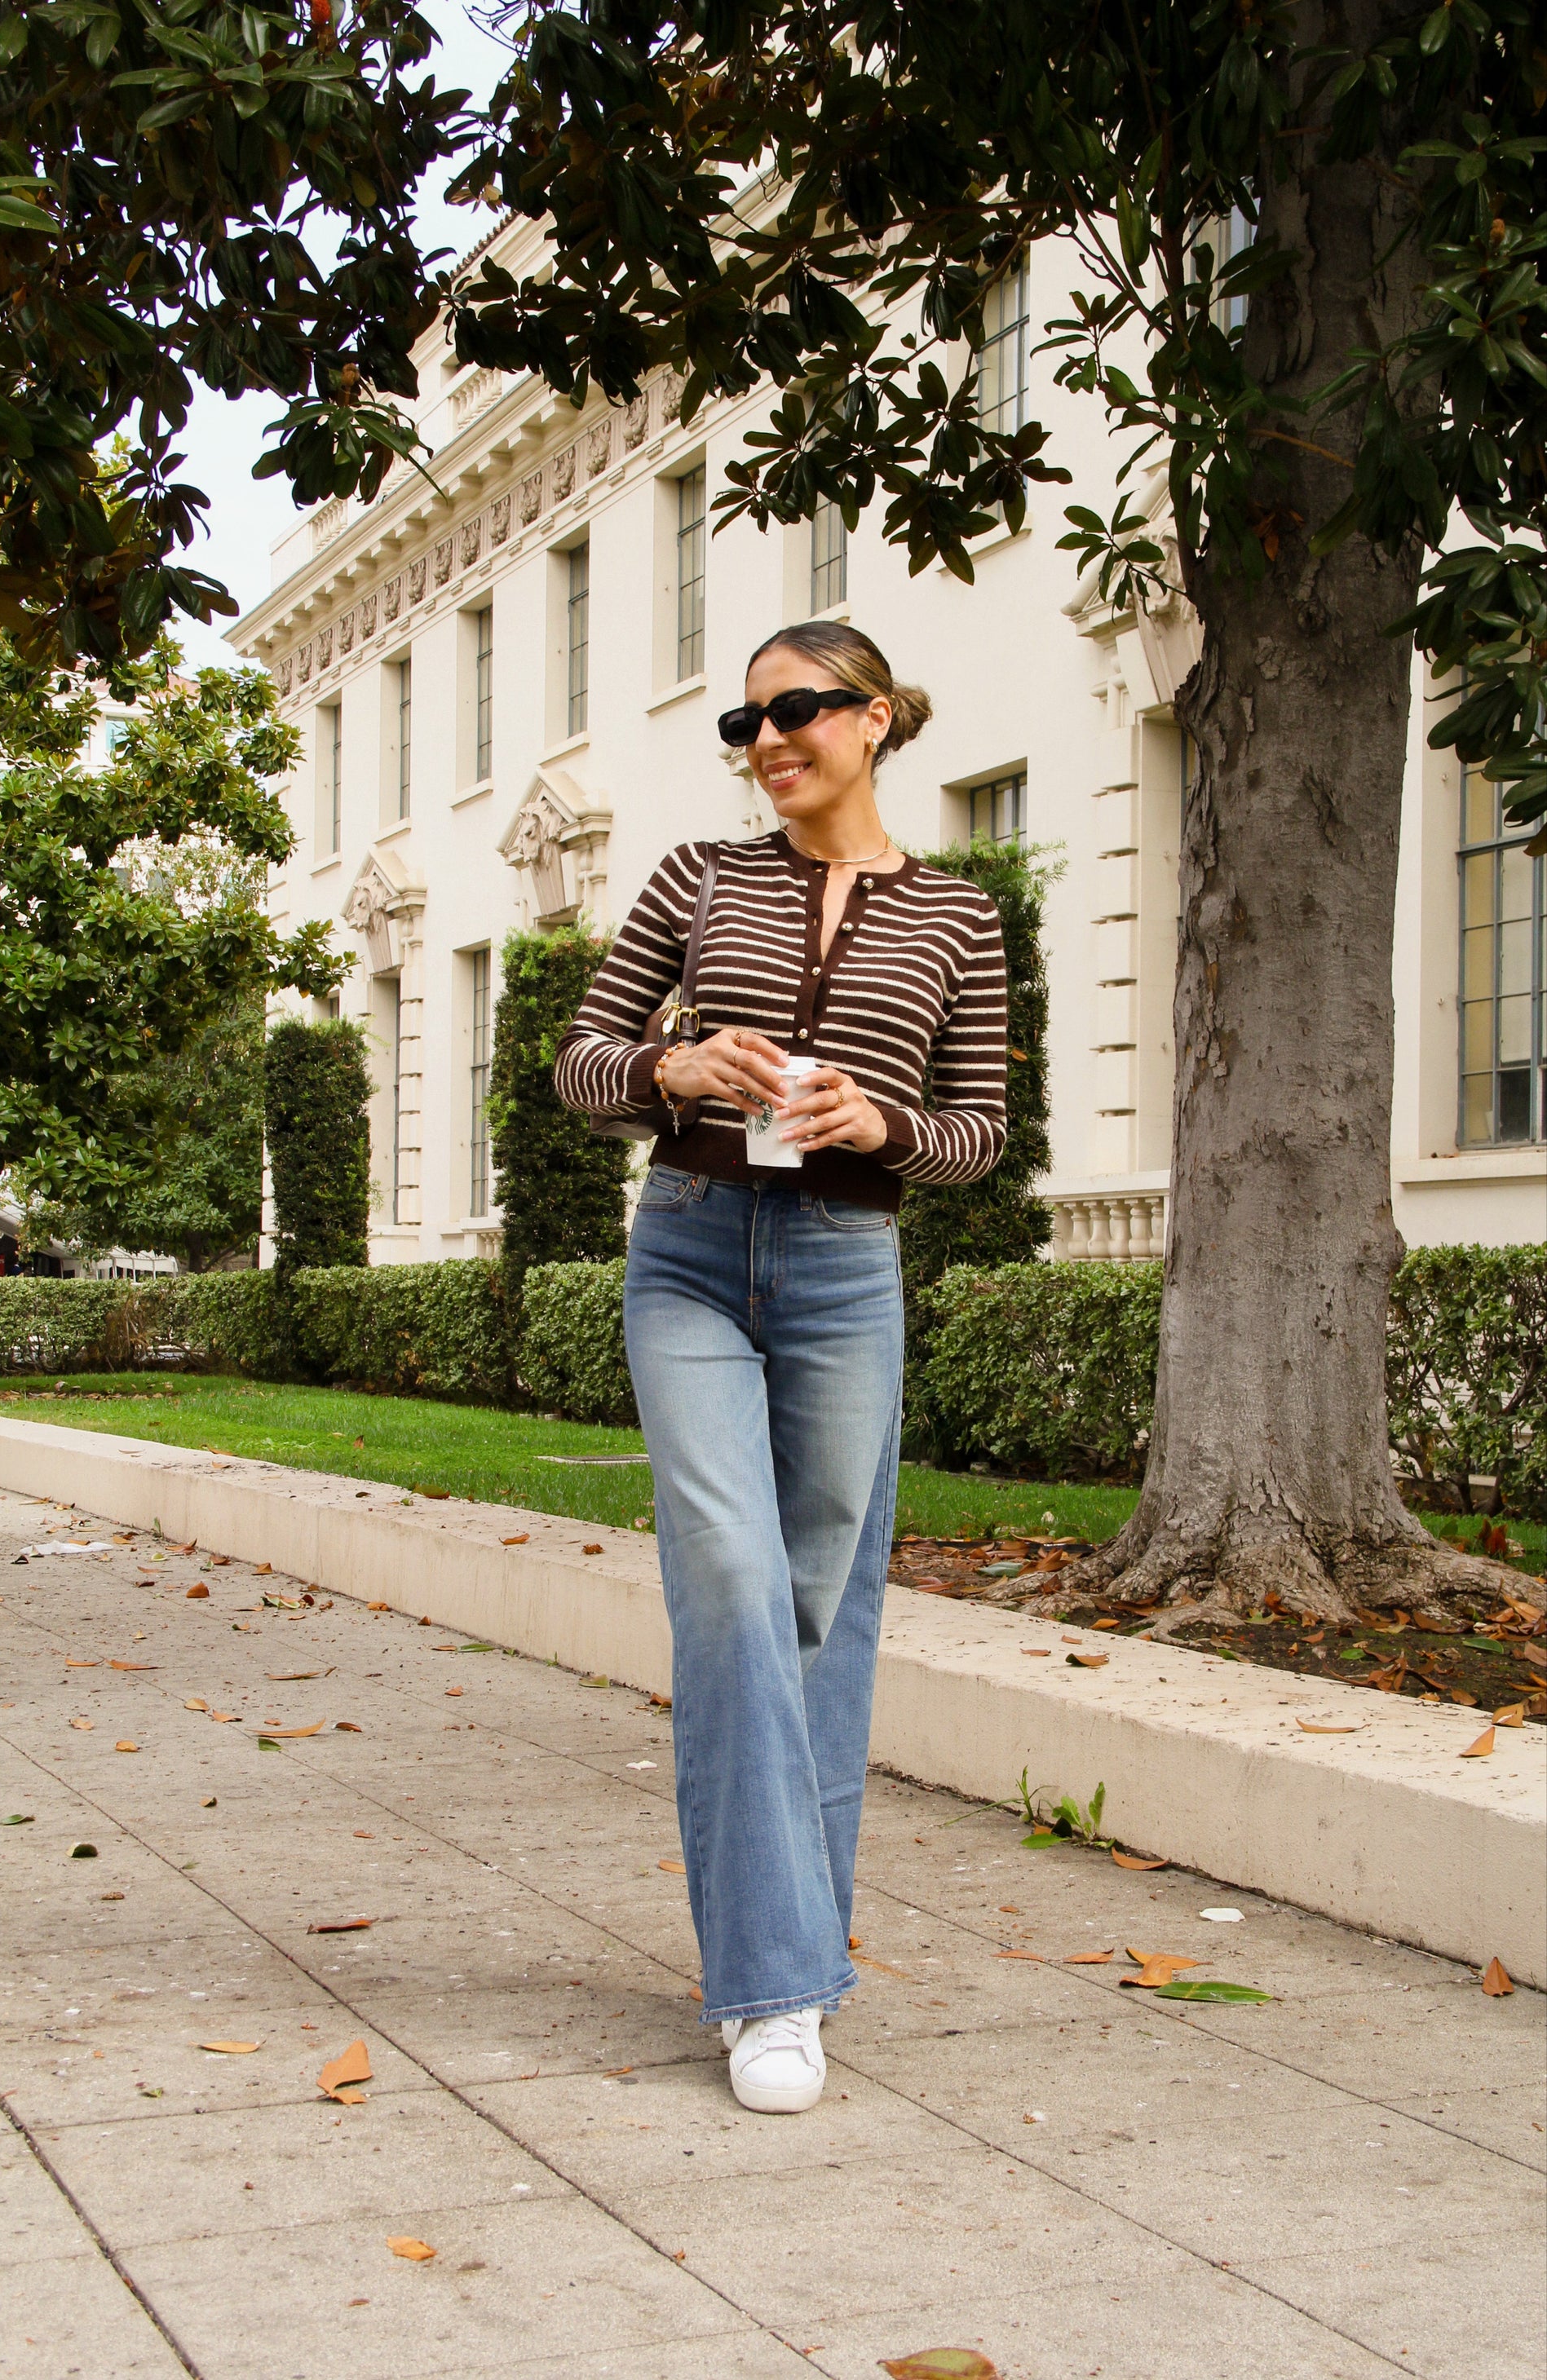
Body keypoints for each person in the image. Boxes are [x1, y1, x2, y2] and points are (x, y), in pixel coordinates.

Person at [554, 621, 1009, 2113]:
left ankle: (789, 1969)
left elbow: (979, 1133)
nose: (767, 740)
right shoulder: (695, 878)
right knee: (736, 1585)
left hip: (841, 1269)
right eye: (746, 722)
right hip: (687, 1244)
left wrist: (882, 1126)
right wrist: (673, 1070)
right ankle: (775, 1990)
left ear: (871, 718)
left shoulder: (958, 916)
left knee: (823, 1607)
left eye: (797, 710)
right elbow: (580, 1062)